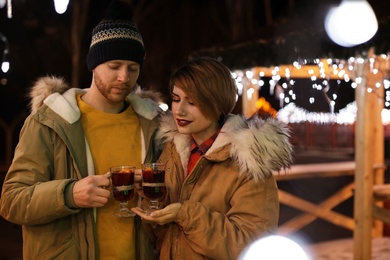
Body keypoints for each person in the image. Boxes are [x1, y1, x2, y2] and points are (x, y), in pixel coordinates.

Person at [0, 1, 162, 259]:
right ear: (93, 64)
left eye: (133, 68)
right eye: (114, 66)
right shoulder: (50, 122)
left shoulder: (154, 124)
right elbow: (12, 201)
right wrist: (69, 195)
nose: (124, 77)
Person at [131, 57, 293, 259]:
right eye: (176, 98)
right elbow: (163, 236)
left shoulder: (248, 161)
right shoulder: (172, 150)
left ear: (217, 104)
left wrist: (185, 215)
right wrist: (153, 197)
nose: (179, 110)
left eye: (192, 102)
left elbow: (251, 246)